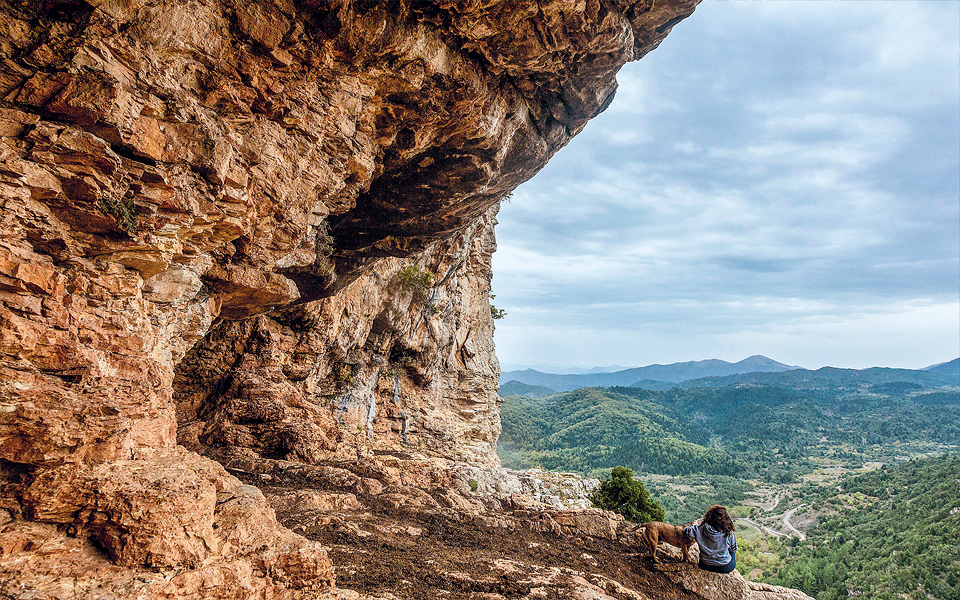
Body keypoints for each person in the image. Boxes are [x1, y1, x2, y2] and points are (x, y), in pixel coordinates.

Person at [683, 505, 738, 573]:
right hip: (725, 567)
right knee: (733, 551)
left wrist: (695, 525)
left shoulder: (699, 529)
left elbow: (685, 531)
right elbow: (733, 549)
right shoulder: (729, 533)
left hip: (705, 564)